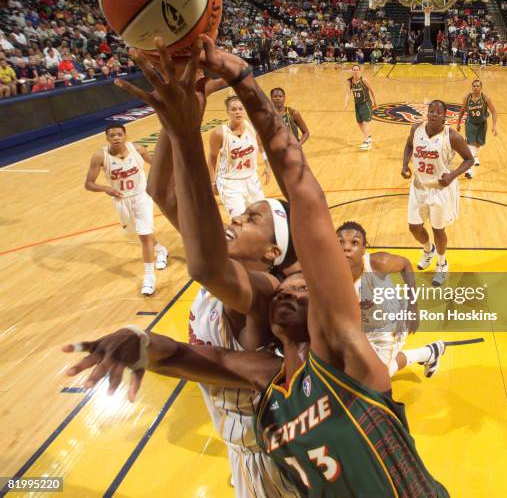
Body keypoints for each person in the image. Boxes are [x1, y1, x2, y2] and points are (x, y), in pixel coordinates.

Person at [65, 35, 450, 497]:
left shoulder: (345, 355)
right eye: (291, 288)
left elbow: (300, 192)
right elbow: (187, 353)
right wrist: (138, 342)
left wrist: (242, 82)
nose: (289, 291)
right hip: (252, 460)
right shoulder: (270, 378)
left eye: (302, 287)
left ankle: (427, 353)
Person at [113, 45, 300, 497]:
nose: (236, 218)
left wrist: (186, 128)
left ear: (273, 251)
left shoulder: (262, 291)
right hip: (243, 450)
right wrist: (172, 115)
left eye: (251, 218)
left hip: (272, 460)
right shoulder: (228, 259)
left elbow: (205, 268)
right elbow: (162, 190)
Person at [337, 220, 446, 377]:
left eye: (354, 242)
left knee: (379, 376)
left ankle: (428, 353)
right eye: (340, 242)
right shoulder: (329, 272)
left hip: (390, 328)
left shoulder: (378, 263)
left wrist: (413, 306)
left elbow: (406, 265)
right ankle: (429, 352)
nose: (346, 247)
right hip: (362, 325)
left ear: (363, 249)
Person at [84, 124, 169, 295]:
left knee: (144, 236)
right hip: (122, 200)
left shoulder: (137, 149)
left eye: (119, 134)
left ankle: (149, 278)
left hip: (141, 196)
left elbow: (158, 164)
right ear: (107, 137)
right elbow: (88, 184)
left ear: (125, 136)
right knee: (138, 233)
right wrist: (105, 188)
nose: (116, 137)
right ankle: (160, 250)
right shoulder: (100, 156)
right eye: (112, 135)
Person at [401, 100, 474, 286]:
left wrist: (452, 175)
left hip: (440, 190)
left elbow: (469, 160)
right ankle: (428, 250)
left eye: (438, 112)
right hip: (418, 186)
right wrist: (404, 165)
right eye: (431, 111)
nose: (434, 114)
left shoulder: (452, 136)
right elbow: (409, 146)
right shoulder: (416, 129)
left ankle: (442, 264)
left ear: (444, 115)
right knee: (414, 228)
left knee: (437, 229)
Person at [208, 95, 271, 219]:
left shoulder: (253, 127)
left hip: (252, 178)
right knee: (240, 221)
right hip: (230, 183)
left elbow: (260, 145)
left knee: (262, 218)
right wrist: (212, 183)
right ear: (228, 112)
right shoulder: (219, 133)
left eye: (240, 109)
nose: (238, 112)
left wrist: (267, 165)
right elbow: (212, 158)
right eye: (234, 109)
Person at [456, 79, 498, 179]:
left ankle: (475, 156)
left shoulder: (486, 98)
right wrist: (458, 123)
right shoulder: (467, 97)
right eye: (474, 86)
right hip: (470, 123)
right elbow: (462, 111)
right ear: (472, 87)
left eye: (477, 86)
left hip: (482, 123)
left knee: (478, 143)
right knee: (470, 143)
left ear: (481, 87)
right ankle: (469, 170)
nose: (475, 87)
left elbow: (494, 112)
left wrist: (494, 126)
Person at [344, 64, 377, 150]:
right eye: (354, 70)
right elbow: (348, 93)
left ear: (359, 71)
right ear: (352, 71)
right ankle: (368, 137)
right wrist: (346, 103)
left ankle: (366, 142)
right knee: (359, 123)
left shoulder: (364, 80)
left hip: (366, 103)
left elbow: (372, 90)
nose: (355, 71)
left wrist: (375, 101)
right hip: (357, 104)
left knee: (365, 122)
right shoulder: (349, 81)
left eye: (357, 70)